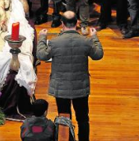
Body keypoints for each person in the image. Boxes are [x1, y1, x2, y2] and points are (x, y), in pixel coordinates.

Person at [37, 11, 104, 141]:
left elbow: (42, 55)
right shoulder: (85, 41)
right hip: (81, 87)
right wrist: (95, 37)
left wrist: (42, 38)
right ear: (77, 22)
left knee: (64, 118)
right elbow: (98, 55)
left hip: (61, 87)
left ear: (62, 23)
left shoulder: (55, 42)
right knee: (83, 118)